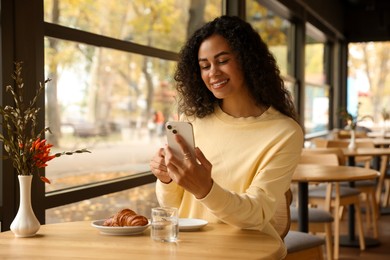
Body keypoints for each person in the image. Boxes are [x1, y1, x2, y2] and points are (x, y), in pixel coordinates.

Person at [149, 15, 303, 257]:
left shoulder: (284, 133)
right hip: (191, 251)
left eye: (222, 61)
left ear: (247, 60)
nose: (213, 73)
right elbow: (171, 206)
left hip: (251, 253)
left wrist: (205, 189)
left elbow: (257, 213)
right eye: (205, 66)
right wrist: (167, 178)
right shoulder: (193, 121)